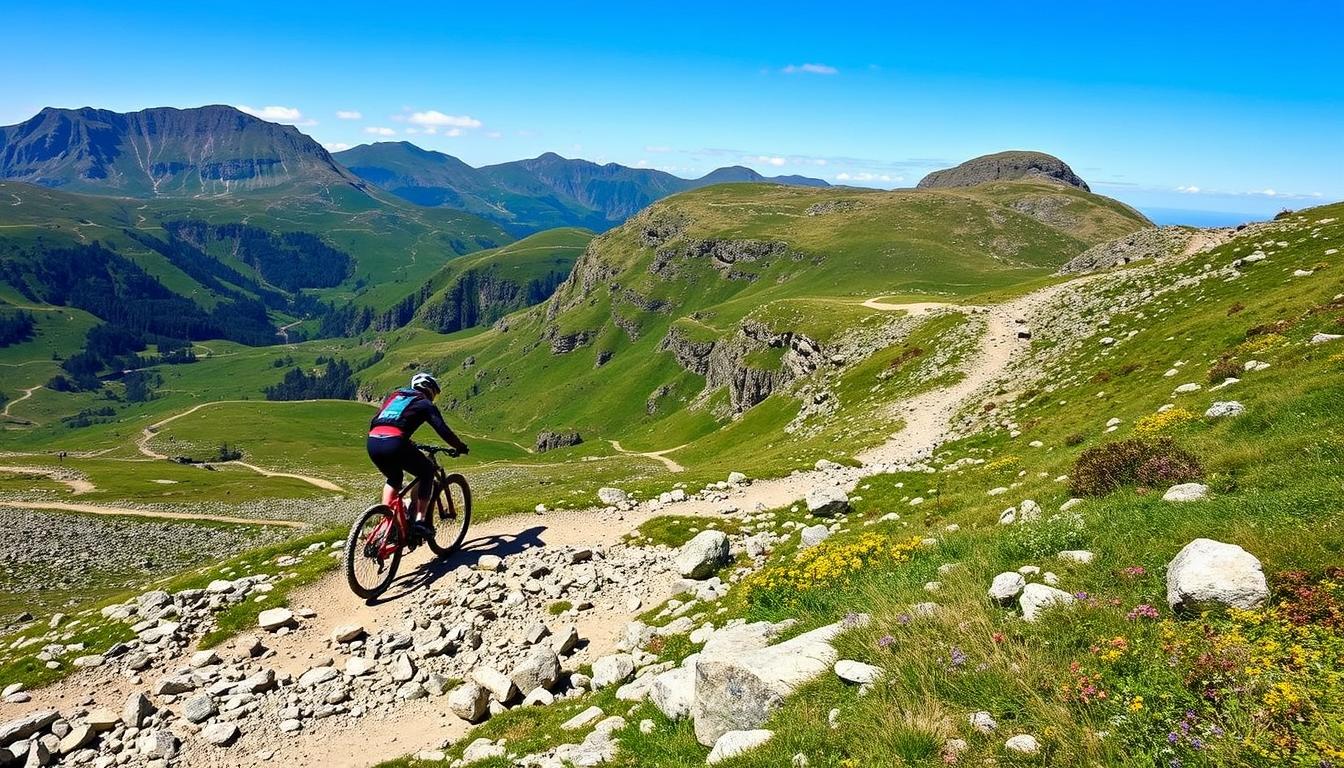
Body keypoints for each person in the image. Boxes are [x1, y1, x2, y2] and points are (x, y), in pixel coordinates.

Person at [367, 372, 469, 540]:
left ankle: (387, 521)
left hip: (373, 441)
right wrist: (460, 446)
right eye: (434, 394)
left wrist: (406, 440)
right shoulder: (424, 403)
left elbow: (380, 420)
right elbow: (443, 430)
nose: (433, 398)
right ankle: (420, 521)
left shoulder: (395, 396)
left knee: (394, 478)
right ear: (430, 390)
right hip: (395, 442)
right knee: (427, 471)